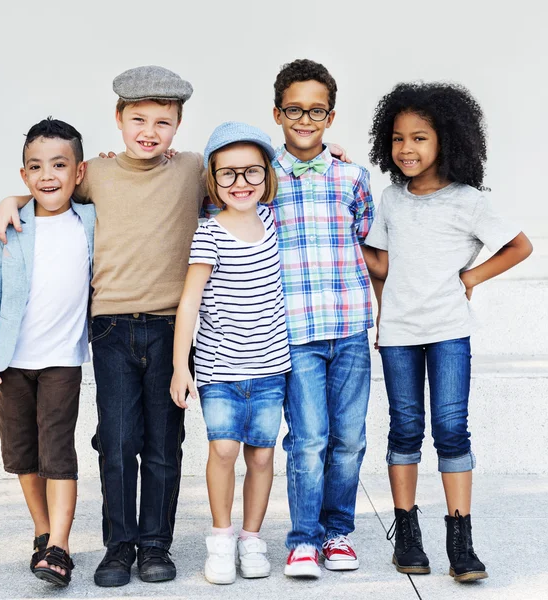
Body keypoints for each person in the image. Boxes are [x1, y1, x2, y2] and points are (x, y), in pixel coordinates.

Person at [0, 66, 207, 587]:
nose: (149, 131)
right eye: (138, 119)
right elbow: (48, 189)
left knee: (162, 443)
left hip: (171, 327)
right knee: (117, 438)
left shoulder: (194, 168)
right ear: (118, 119)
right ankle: (118, 545)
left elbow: (251, 171)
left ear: (178, 125)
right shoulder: (97, 174)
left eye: (163, 122)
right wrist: (8, 200)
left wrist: (328, 156)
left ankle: (155, 544)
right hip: (109, 329)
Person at [364, 81, 533, 582]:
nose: (406, 149)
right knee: (405, 428)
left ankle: (461, 539)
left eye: (419, 138)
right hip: (398, 333)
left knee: (452, 430)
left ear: (447, 141)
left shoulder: (467, 201)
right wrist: (341, 236)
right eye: (397, 138)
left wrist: (471, 277)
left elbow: (519, 246)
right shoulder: (390, 200)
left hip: (448, 332)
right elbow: (382, 266)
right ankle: (407, 534)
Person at [0, 117, 95, 587]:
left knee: (58, 452)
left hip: (61, 359)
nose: (48, 175)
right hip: (10, 361)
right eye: (35, 167)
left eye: (59, 165)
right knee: (23, 454)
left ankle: (60, 545)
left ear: (78, 172)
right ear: (23, 176)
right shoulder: (5, 224)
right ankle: (42, 532)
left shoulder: (91, 219)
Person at [270, 59, 379, 578]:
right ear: (278, 113)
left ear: (330, 116)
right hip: (295, 331)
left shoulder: (353, 177)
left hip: (351, 326)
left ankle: (339, 533)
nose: (306, 119)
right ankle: (303, 539)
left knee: (349, 438)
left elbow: (366, 239)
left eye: (317, 110)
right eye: (296, 109)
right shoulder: (261, 176)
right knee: (308, 439)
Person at [170, 122, 291, 584]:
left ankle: (251, 539)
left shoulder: (274, 220)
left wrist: (334, 152)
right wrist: (182, 366)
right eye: (228, 174)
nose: (241, 183)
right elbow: (190, 302)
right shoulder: (209, 233)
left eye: (251, 172)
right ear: (213, 180)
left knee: (261, 455)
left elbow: (303, 163)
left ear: (267, 175)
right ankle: (221, 539)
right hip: (221, 367)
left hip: (271, 367)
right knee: (223, 448)